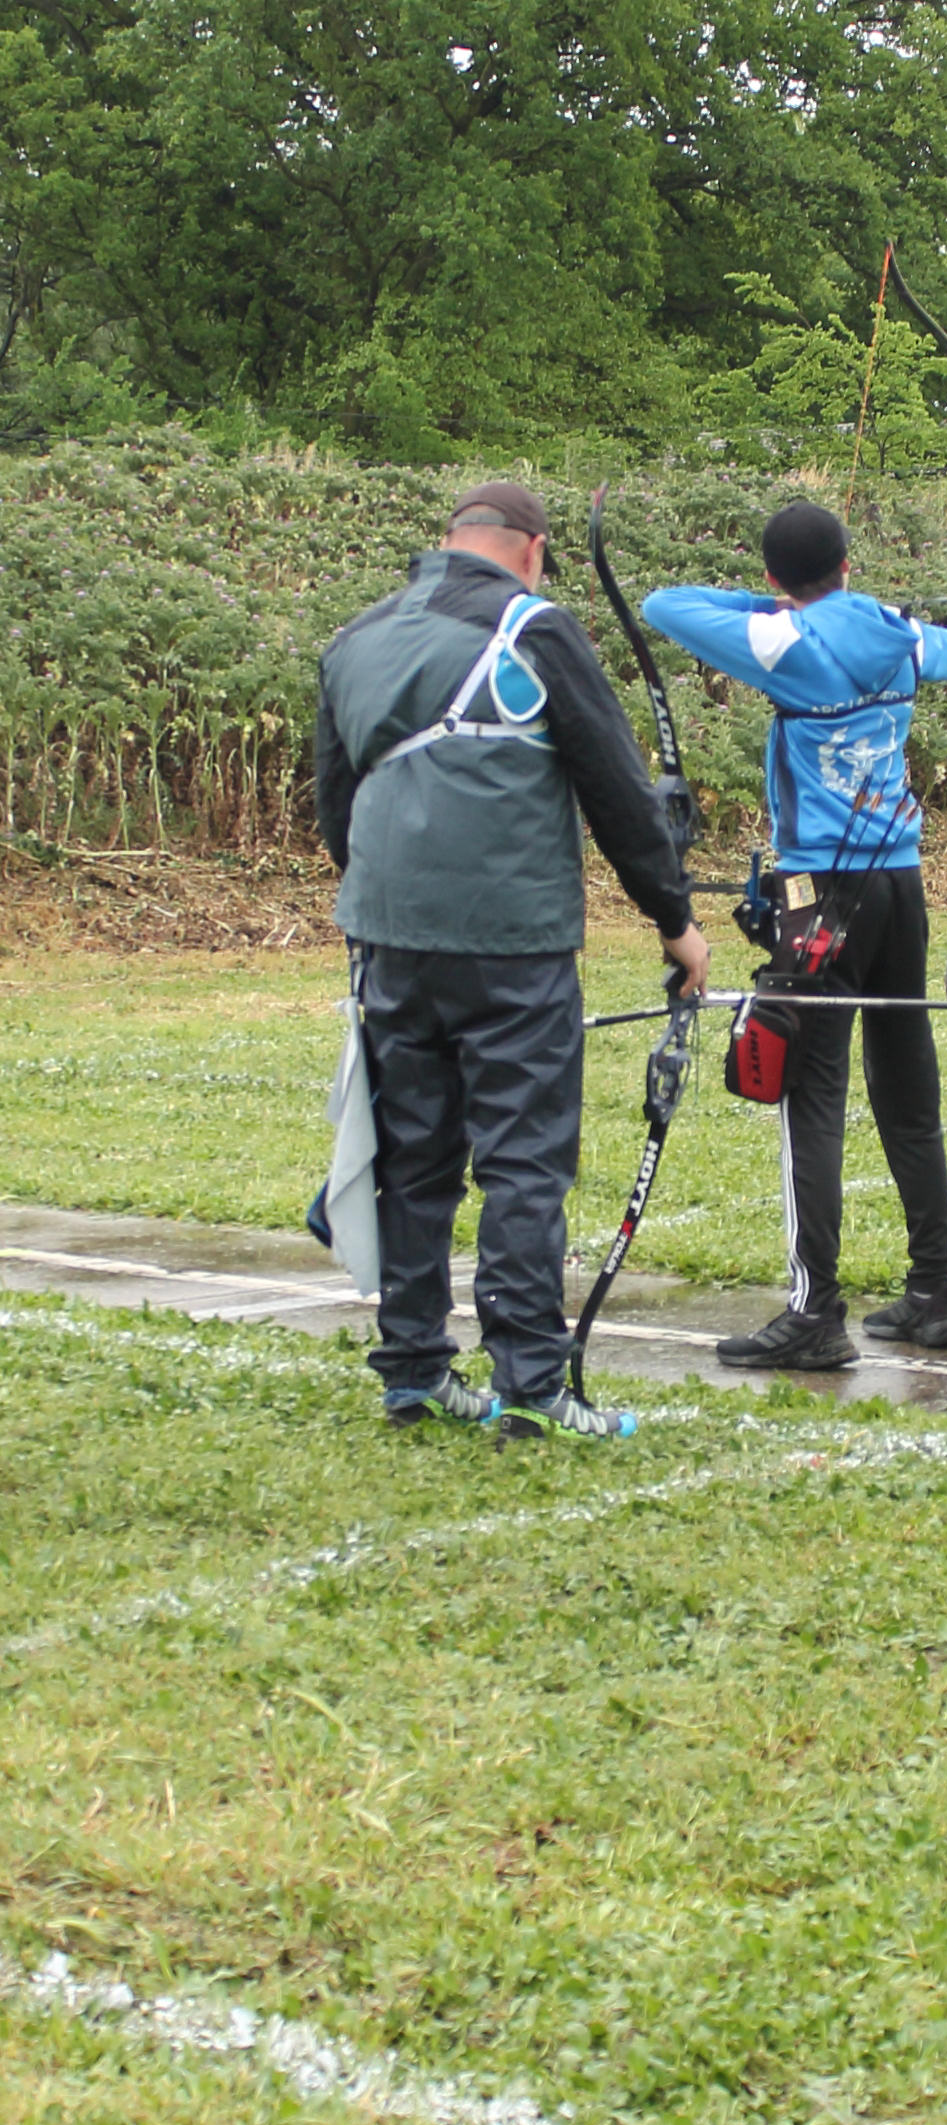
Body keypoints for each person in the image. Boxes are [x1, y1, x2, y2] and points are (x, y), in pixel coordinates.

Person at [315, 480, 710, 1443]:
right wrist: (675, 919)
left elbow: (337, 809)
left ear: (451, 539)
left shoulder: (357, 638)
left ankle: (414, 1370)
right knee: (524, 1162)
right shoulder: (536, 628)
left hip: (388, 940)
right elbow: (616, 789)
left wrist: (389, 905)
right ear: (532, 551)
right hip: (511, 943)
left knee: (413, 1157)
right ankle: (531, 1380)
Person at [642, 502, 947, 1370]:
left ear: (777, 579)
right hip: (899, 885)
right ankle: (932, 1291)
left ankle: (815, 1313)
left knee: (810, 1092)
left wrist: (773, 605)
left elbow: (663, 605)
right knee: (906, 1083)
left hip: (822, 894)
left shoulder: (784, 642)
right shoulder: (895, 630)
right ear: (849, 566)